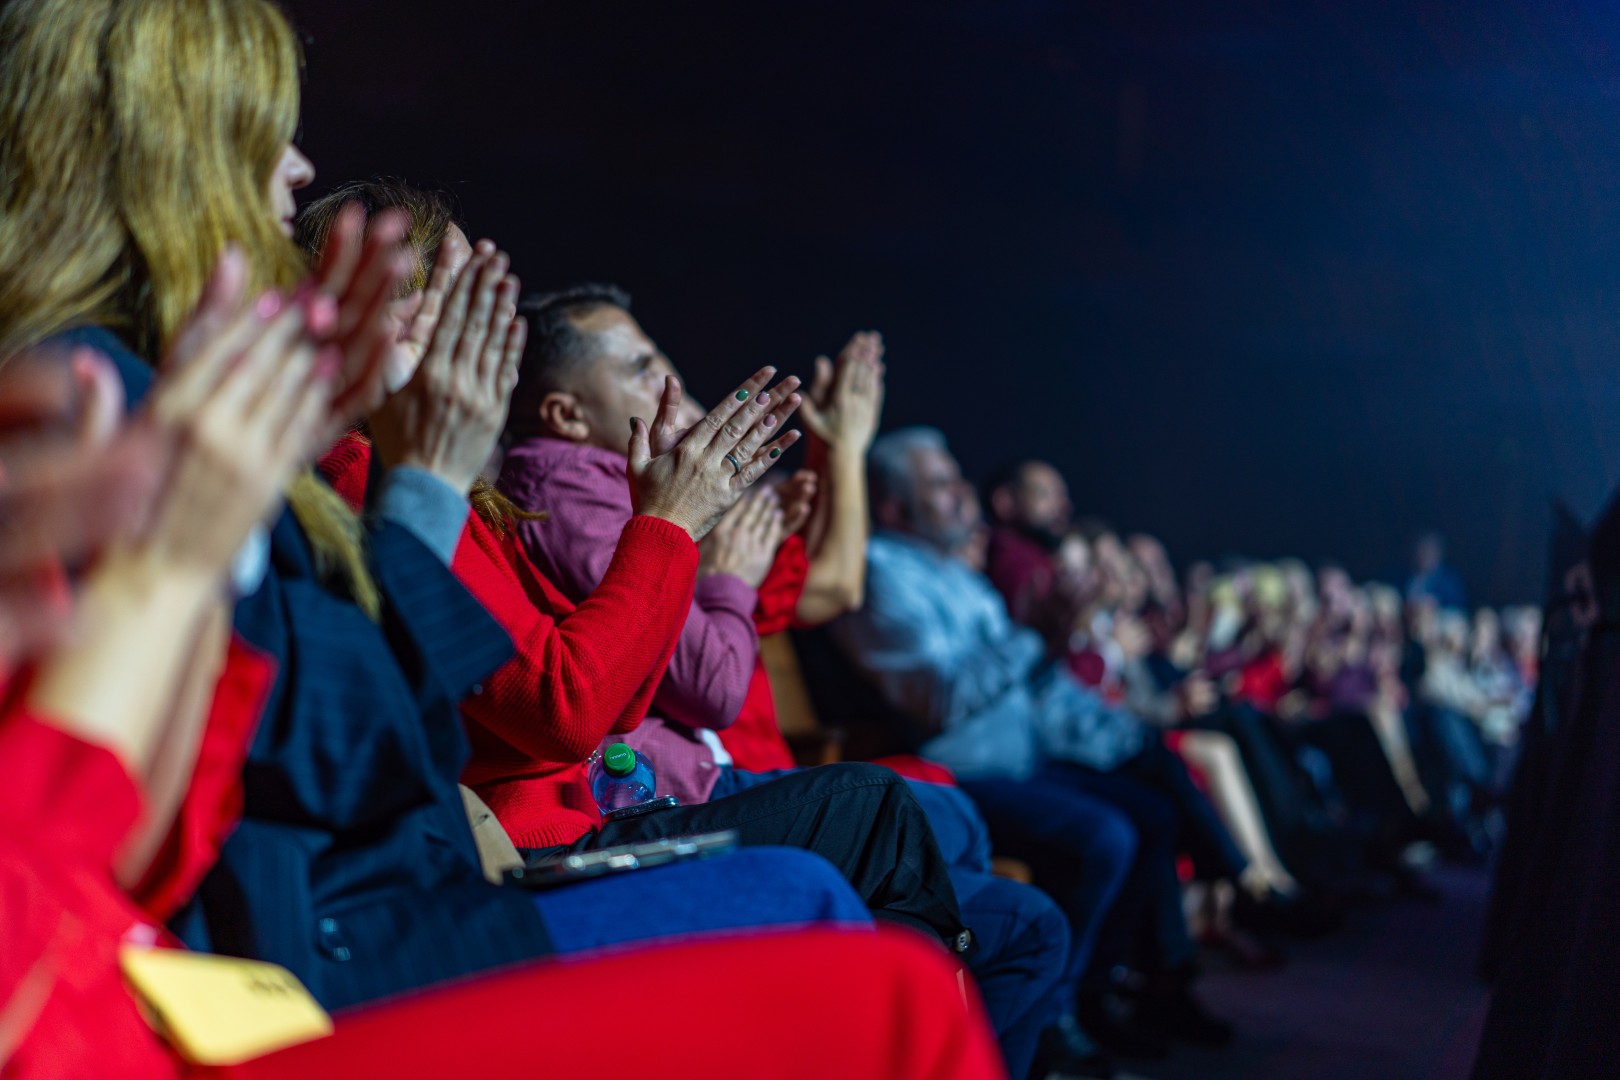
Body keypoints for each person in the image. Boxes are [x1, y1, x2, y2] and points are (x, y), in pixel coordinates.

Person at [0, 0, 953, 1019]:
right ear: (165, 154)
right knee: (843, 884)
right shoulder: (135, 413)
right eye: (261, 129)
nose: (299, 165)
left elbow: (565, 703)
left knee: (903, 865)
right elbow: (513, 716)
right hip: (346, 947)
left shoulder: (300, 448)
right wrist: (655, 524)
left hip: (441, 879)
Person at [0, 335, 1005, 1080]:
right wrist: (670, 527)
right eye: (448, 302)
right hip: (423, 898)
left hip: (464, 861)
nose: (669, 379)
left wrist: (792, 480)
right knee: (865, 882)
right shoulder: (468, 484)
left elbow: (704, 651)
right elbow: (569, 704)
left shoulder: (437, 491)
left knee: (952, 868)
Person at [493, 290, 1081, 1077]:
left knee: (993, 876)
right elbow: (716, 680)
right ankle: (901, 1028)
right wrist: (722, 566)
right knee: (953, 843)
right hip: (653, 799)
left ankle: (921, 1023)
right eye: (639, 367)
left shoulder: (624, 492)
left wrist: (788, 493)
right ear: (566, 415)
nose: (671, 378)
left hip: (706, 774)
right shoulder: (572, 490)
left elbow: (816, 589)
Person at [832, 427, 1237, 1055]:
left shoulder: (959, 577)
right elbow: (939, 699)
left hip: (1020, 760)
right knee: (1104, 835)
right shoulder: (881, 574)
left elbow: (1029, 685)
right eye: (940, 483)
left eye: (957, 477)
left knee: (1153, 811)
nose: (962, 493)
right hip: (960, 773)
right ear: (891, 507)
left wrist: (1109, 705)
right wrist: (1033, 637)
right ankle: (1053, 1018)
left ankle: (1094, 996)